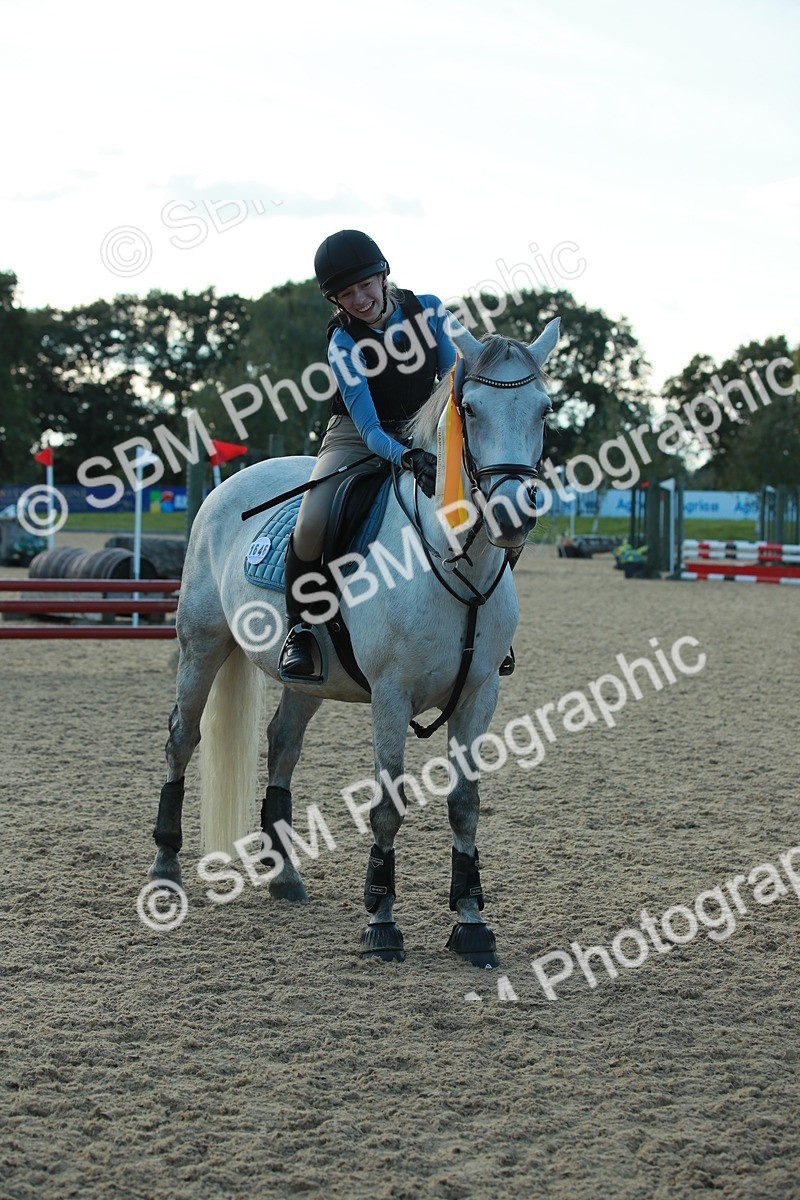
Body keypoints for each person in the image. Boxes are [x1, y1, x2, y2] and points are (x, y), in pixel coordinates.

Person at [280, 229, 516, 680]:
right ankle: (301, 629)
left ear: (383, 274)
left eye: (365, 285)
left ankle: (494, 627)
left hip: (425, 424)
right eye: (346, 294)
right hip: (355, 436)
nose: (360, 299)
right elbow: (368, 428)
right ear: (336, 301)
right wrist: (406, 458)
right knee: (312, 521)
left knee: (496, 498)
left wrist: (441, 441)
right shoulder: (343, 343)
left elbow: (455, 377)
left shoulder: (428, 309)